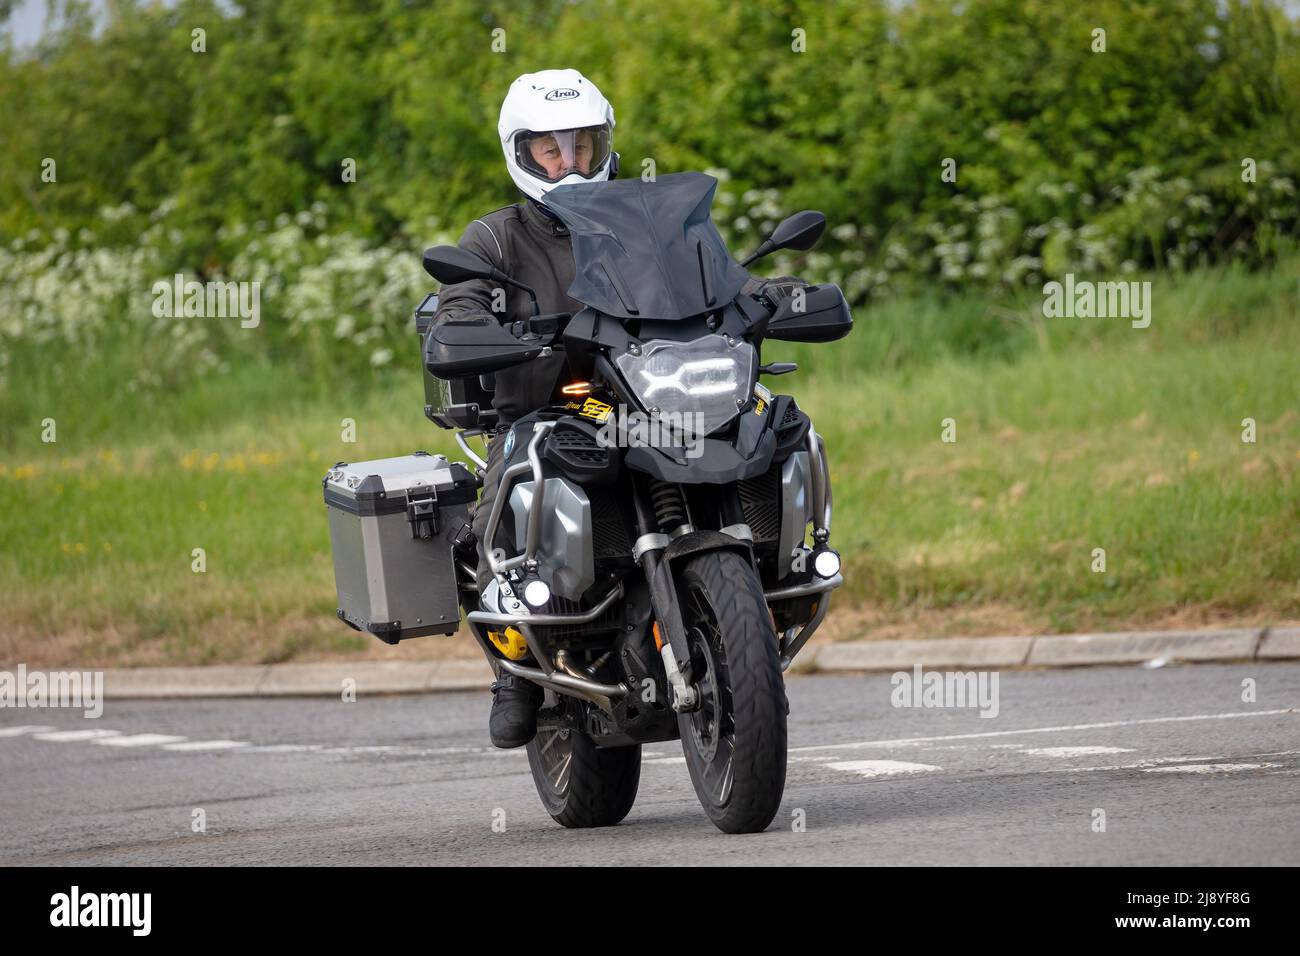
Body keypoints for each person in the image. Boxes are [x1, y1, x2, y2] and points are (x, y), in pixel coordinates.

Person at [433, 68, 804, 749]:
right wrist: (470, 329)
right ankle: (514, 672)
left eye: (583, 144)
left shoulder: (654, 221)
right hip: (548, 411)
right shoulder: (495, 237)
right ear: (521, 154)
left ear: (607, 143)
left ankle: (770, 579)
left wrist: (776, 296)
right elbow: (459, 305)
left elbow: (723, 279)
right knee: (497, 503)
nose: (569, 163)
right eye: (551, 149)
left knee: (769, 422)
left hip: (650, 398)